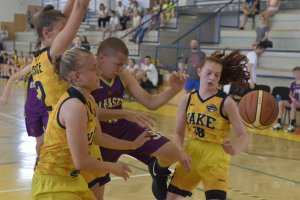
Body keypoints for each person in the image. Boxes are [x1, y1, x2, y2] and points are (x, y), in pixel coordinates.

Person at [31, 47, 150, 199]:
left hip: (72, 180)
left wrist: (133, 144)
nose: (99, 73)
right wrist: (112, 167)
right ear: (77, 77)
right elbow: (81, 162)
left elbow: (99, 138)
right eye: (93, 69)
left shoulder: (89, 100)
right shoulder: (74, 107)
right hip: (52, 184)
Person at [90, 37, 188, 200]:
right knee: (95, 197)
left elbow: (150, 102)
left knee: (171, 152)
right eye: (118, 64)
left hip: (123, 128)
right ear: (101, 58)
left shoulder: (122, 74)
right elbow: (88, 112)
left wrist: (174, 90)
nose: (121, 68)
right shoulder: (87, 74)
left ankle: (159, 170)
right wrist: (125, 113)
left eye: (123, 64)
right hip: (99, 137)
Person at [166, 49, 250, 200]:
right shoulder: (187, 99)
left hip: (216, 158)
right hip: (191, 153)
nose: (212, 77)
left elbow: (243, 135)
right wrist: (180, 151)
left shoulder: (227, 102)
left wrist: (234, 150)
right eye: (208, 73)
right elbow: (178, 133)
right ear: (199, 71)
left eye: (216, 75)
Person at [31, 0, 89, 112]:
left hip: (54, 116)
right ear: (46, 32)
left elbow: (63, 18)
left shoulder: (41, 53)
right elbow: (79, 7)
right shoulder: (54, 51)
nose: (66, 34)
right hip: (64, 115)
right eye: (63, 31)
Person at [0, 64, 48, 159]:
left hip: (47, 110)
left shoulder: (52, 65)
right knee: (40, 143)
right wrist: (5, 94)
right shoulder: (33, 66)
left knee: (53, 140)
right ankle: (39, 160)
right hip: (32, 111)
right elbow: (13, 77)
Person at [272, 66, 300, 133]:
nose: (296, 75)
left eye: (298, 73)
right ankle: (279, 123)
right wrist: (292, 98)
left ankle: (292, 125)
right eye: (295, 73)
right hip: (294, 101)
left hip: (298, 102)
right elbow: (290, 94)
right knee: (281, 102)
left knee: (293, 104)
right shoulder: (293, 84)